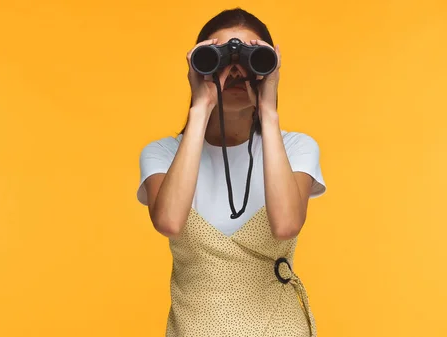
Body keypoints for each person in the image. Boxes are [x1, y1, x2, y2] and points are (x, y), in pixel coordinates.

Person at [136, 7, 327, 337]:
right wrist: (200, 106)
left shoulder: (296, 147)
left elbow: (285, 225)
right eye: (220, 57)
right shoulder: (163, 154)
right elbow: (168, 221)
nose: (236, 72)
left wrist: (268, 111)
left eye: (252, 57)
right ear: (200, 65)